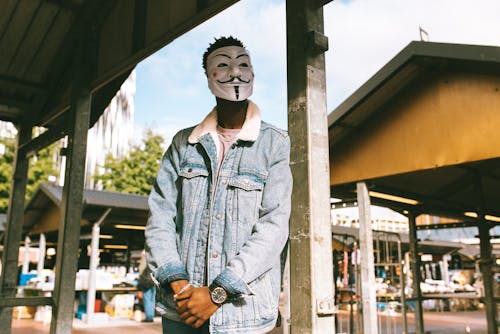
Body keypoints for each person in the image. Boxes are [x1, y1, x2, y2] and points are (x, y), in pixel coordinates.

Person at [145, 36, 292, 334]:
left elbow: (274, 227)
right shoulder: (182, 145)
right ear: (209, 78)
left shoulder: (275, 144)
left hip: (244, 317)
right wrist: (182, 286)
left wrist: (216, 294)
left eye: (243, 64)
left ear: (253, 73)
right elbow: (159, 219)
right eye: (223, 65)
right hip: (181, 309)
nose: (235, 72)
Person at [137, 250, 156, 322]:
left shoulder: (144, 260)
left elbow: (141, 270)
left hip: (146, 283)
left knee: (147, 299)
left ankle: (149, 317)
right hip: (153, 281)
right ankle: (151, 315)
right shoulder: (154, 260)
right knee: (152, 299)